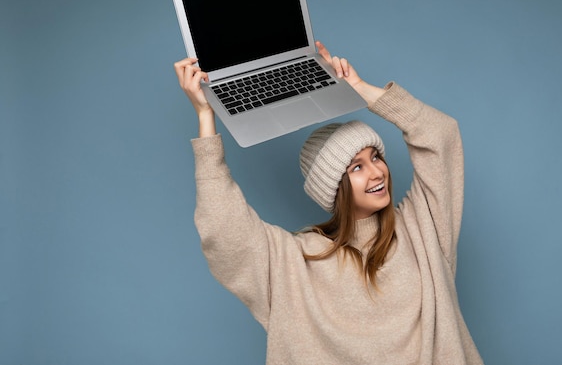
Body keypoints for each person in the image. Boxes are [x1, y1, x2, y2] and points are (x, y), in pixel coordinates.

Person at [174, 41, 483, 365]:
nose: (378, 171)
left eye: (376, 156)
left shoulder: (423, 230)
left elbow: (441, 136)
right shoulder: (296, 261)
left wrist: (358, 89)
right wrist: (205, 116)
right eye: (357, 167)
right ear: (333, 187)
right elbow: (226, 232)